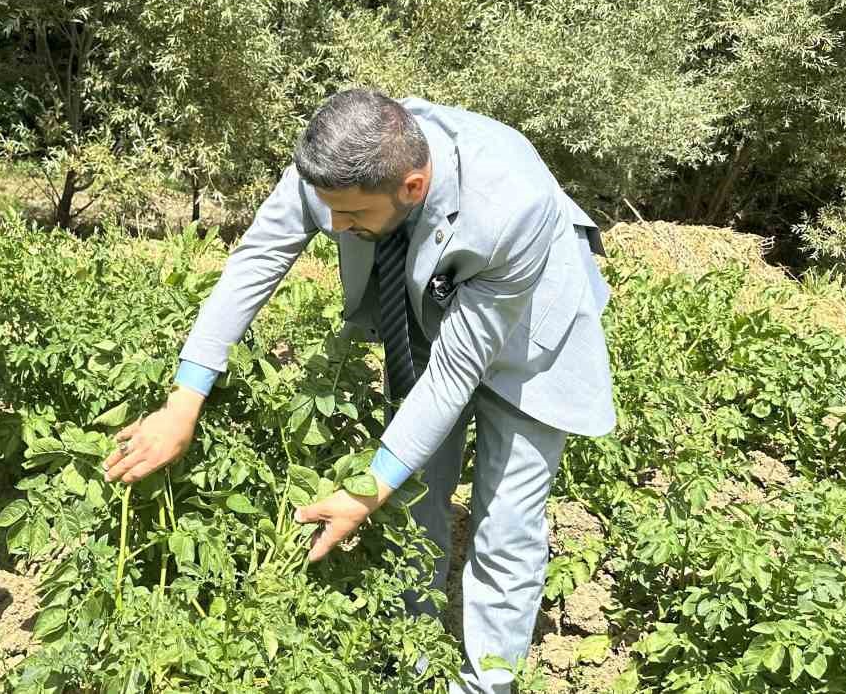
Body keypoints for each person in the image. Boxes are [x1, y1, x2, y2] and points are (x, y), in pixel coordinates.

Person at [105, 87, 615, 693]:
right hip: (434, 303)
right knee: (416, 496)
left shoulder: (510, 205)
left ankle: (486, 684)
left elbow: (456, 371)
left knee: (506, 521)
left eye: (351, 220)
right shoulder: (340, 160)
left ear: (412, 188)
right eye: (330, 213)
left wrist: (364, 489)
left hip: (533, 329)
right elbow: (257, 260)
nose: (335, 228)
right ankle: (415, 660)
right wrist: (183, 400)